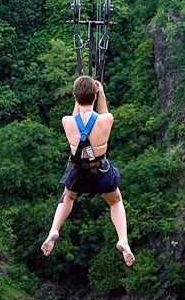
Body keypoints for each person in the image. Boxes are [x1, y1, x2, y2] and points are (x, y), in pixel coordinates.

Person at [41, 76, 135, 266]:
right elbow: (103, 112)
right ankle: (122, 239)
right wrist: (102, 96)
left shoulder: (67, 121)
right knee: (115, 201)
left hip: (79, 174)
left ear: (75, 97)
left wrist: (81, 96)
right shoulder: (106, 120)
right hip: (101, 171)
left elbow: (76, 117)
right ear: (95, 96)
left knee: (68, 197)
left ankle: (54, 230)